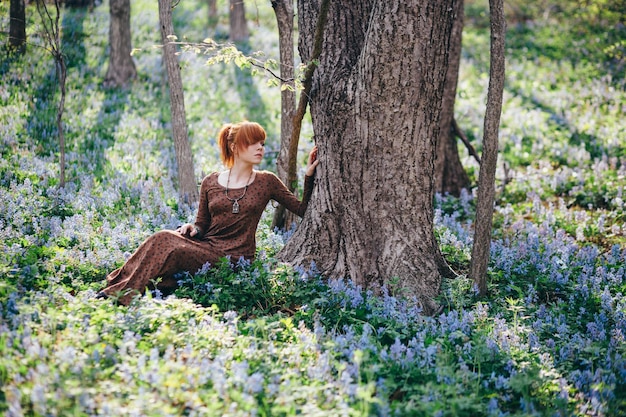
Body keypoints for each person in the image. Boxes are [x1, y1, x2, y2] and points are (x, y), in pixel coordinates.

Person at [97, 121, 319, 305]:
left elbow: (301, 209)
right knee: (162, 237)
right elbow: (202, 223)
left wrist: (309, 175)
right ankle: (118, 286)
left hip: (235, 258)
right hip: (207, 247)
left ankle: (122, 294)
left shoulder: (266, 181)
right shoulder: (211, 181)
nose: (260, 147)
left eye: (262, 143)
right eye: (253, 143)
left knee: (169, 247)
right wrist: (193, 228)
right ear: (234, 146)